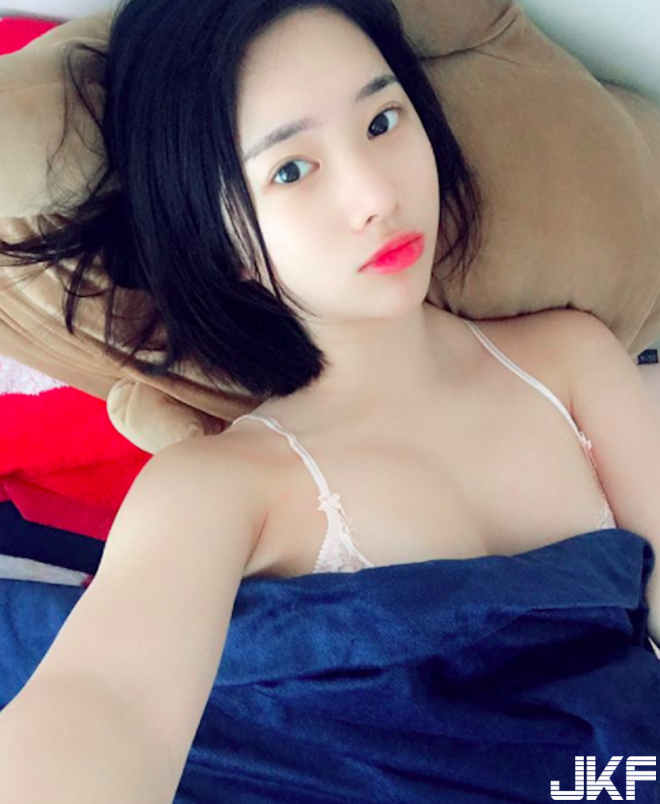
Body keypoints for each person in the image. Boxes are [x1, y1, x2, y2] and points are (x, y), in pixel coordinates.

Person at [0, 0, 658, 802]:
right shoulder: (219, 486)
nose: (375, 193)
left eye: (382, 121)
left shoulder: (572, 359)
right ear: (217, 236)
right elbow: (106, 700)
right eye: (290, 169)